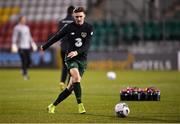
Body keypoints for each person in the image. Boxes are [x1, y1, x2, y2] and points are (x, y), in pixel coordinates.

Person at [41, 7, 93, 114]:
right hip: (70, 57)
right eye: (76, 17)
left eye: (80, 16)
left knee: (70, 88)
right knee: (77, 78)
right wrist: (44, 47)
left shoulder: (89, 27)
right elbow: (57, 37)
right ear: (74, 16)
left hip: (82, 59)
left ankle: (52, 105)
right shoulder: (69, 27)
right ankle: (80, 105)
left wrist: (77, 52)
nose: (78, 19)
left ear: (84, 16)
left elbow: (87, 45)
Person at [11, 15, 37, 80]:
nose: (24, 20)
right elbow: (15, 36)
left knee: (29, 61)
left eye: (25, 19)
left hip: (27, 46)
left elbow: (29, 36)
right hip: (21, 47)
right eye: (23, 19)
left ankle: (23, 69)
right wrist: (14, 44)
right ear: (20, 20)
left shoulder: (26, 27)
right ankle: (25, 75)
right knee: (24, 61)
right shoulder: (17, 28)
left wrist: (33, 43)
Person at [58, 5, 75, 91]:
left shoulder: (61, 22)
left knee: (64, 66)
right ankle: (69, 86)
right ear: (73, 12)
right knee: (72, 67)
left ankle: (62, 82)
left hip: (63, 47)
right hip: (71, 48)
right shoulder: (74, 21)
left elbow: (59, 34)